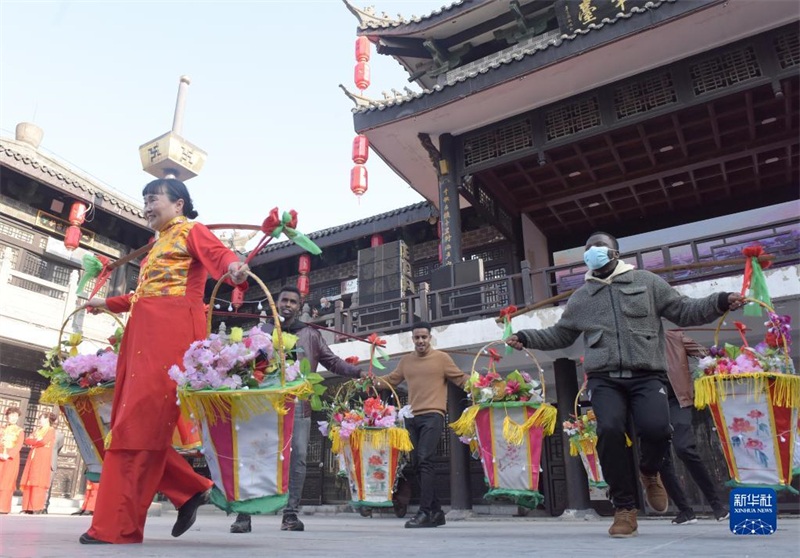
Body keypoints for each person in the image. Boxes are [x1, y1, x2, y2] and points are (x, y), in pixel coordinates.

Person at [506, 231, 745, 538]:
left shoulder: (646, 282)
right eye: (589, 248)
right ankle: (625, 508)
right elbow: (561, 334)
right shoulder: (581, 297)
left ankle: (648, 472)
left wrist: (720, 301)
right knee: (608, 430)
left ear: (615, 253)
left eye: (600, 247)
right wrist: (526, 337)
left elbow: (683, 309)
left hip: (647, 374)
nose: (593, 252)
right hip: (604, 378)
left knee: (658, 429)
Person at [78, 178, 249, 544]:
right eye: (144, 199)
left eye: (153, 198)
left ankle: (117, 525)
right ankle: (188, 489)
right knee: (134, 424)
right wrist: (105, 304)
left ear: (179, 204)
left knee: (136, 423)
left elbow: (220, 257)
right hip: (143, 334)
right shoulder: (157, 244)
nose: (146, 205)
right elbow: (144, 295)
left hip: (170, 337)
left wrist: (234, 267)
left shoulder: (192, 230)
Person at [229, 285, 362, 534]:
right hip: (264, 403)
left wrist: (357, 371)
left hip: (299, 404)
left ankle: (290, 514)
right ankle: (244, 515)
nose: (287, 304)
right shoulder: (262, 333)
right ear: (276, 304)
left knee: (299, 458)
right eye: (284, 300)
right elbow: (245, 364)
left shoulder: (310, 334)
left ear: (299, 307)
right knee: (257, 457)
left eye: (293, 301)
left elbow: (332, 361)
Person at [373, 321, 469, 528]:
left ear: (430, 338)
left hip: (433, 415)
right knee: (417, 464)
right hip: (411, 417)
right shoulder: (407, 361)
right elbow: (391, 380)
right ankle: (436, 513)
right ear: (413, 339)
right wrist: (369, 380)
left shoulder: (442, 359)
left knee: (425, 459)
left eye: (424, 337)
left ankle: (425, 512)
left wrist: (481, 383)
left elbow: (460, 379)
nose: (420, 341)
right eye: (417, 337)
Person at [661, 329, 729, 525]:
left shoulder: (674, 337)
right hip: (650, 404)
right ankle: (685, 511)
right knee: (659, 458)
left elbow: (705, 354)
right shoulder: (635, 342)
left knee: (684, 448)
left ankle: (717, 505)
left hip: (677, 400)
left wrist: (718, 360)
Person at [20, 412, 57, 514]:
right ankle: (26, 507)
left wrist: (35, 441)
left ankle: (35, 507)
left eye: (42, 419)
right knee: (30, 481)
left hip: (42, 458)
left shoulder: (50, 430)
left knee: (38, 482)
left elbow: (43, 442)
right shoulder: (37, 430)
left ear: (47, 420)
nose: (40, 420)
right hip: (33, 457)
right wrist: (36, 440)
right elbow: (27, 440)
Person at [0, 406, 24, 514]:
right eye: (11, 415)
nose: (14, 418)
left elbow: (19, 445)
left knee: (7, 482)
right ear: (7, 417)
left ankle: (3, 507)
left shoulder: (20, 431)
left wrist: (8, 455)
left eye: (16, 416)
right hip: (0, 455)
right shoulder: (2, 428)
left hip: (11, 459)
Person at [44, 417, 65, 514]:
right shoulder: (43, 432)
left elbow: (58, 448)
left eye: (57, 423)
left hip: (52, 461)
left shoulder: (60, 435)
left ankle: (45, 505)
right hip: (42, 460)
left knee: (48, 484)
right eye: (53, 423)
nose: (55, 425)